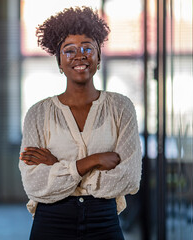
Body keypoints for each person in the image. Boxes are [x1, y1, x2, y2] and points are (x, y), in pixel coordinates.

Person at [19, 6, 142, 240]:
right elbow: (34, 184)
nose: (79, 55)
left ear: (98, 58)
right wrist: (92, 161)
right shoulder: (38, 113)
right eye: (69, 50)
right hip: (51, 223)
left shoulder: (120, 108)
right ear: (59, 61)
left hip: (104, 222)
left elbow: (129, 178)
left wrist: (58, 166)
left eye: (88, 48)